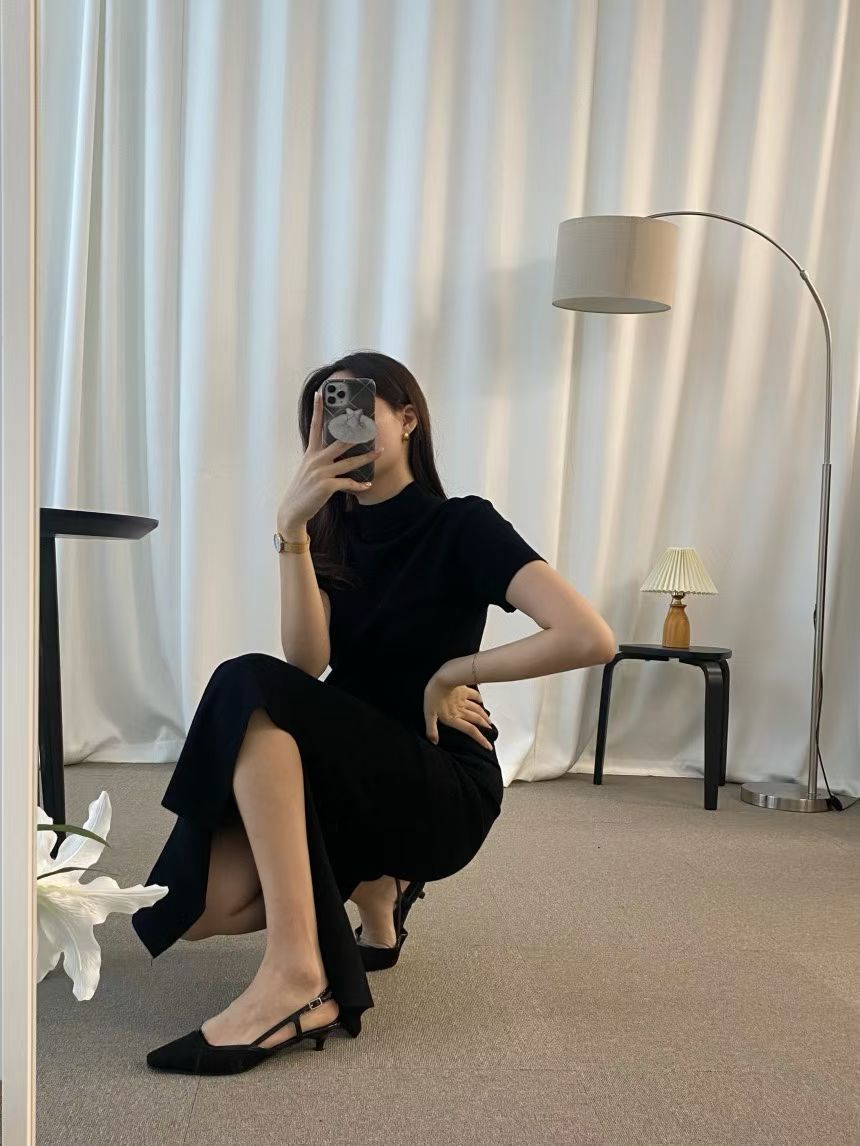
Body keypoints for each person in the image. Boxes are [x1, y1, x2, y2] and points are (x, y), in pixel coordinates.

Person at [132, 350, 616, 1075]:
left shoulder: (463, 525)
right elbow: (305, 664)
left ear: (408, 419)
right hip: (349, 771)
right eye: (322, 419)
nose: (339, 428)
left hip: (438, 776)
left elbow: (589, 636)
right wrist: (292, 529)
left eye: (354, 407)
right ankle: (378, 891)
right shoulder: (328, 536)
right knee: (204, 909)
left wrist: (454, 672)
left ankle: (298, 974)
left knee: (242, 681)